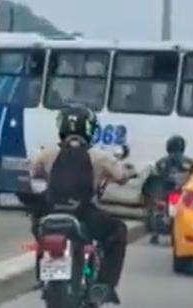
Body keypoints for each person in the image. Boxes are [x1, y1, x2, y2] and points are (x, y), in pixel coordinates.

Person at [28, 105, 136, 305]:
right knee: (118, 230)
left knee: (38, 227)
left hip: (51, 212)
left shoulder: (47, 153)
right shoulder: (100, 156)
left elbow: (34, 173)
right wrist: (128, 173)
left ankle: (41, 276)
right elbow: (121, 176)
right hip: (84, 214)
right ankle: (104, 285)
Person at [148, 135, 193, 243]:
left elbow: (156, 175)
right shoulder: (189, 162)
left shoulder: (161, 161)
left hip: (165, 190)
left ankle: (155, 234)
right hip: (180, 191)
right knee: (181, 212)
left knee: (158, 210)